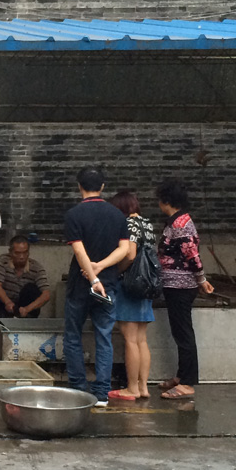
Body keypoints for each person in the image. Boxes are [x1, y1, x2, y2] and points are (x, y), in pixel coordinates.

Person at [63, 167, 129, 403]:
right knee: (104, 337)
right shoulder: (117, 215)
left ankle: (79, 390)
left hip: (80, 287)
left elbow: (79, 250)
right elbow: (124, 250)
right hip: (109, 285)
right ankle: (101, 394)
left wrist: (92, 276)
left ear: (79, 185)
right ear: (102, 187)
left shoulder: (74, 215)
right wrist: (101, 267)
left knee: (73, 336)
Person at [156, 179, 214, 400]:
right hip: (174, 284)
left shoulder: (181, 224)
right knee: (180, 332)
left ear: (166, 201)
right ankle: (182, 375)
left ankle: (188, 383)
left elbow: (192, 255)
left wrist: (201, 280)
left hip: (181, 286)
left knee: (184, 334)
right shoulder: (176, 222)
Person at [107, 190, 156, 401]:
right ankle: (143, 387)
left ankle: (131, 388)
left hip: (129, 285)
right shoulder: (147, 224)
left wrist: (117, 270)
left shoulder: (129, 224)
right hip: (146, 285)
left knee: (130, 339)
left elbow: (130, 254)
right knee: (142, 339)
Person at [0, 235, 51, 319]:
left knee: (30, 288)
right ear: (10, 252)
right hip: (6, 305)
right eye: (17, 253)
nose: (21, 257)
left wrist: (27, 309)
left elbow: (46, 294)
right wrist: (7, 302)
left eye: (25, 252)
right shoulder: (3, 261)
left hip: (26, 307)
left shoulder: (36, 267)